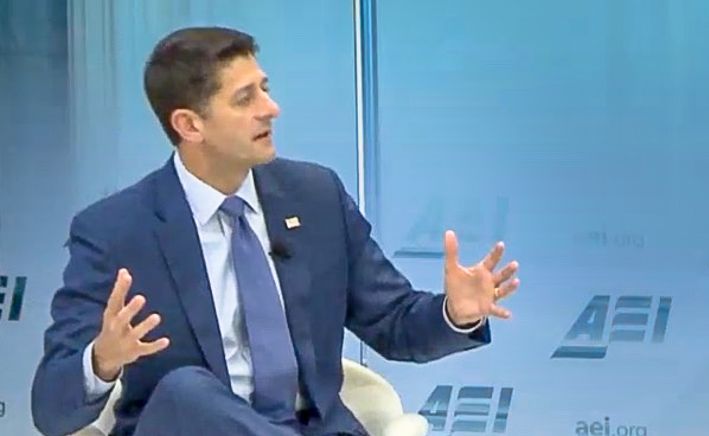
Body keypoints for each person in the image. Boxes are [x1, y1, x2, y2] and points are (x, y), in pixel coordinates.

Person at [30, 26, 519, 436]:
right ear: (190, 125)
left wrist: (455, 313)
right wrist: (102, 360)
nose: (271, 108)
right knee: (184, 390)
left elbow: (393, 323)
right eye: (246, 98)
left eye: (264, 88)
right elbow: (51, 410)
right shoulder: (116, 231)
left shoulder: (316, 197)